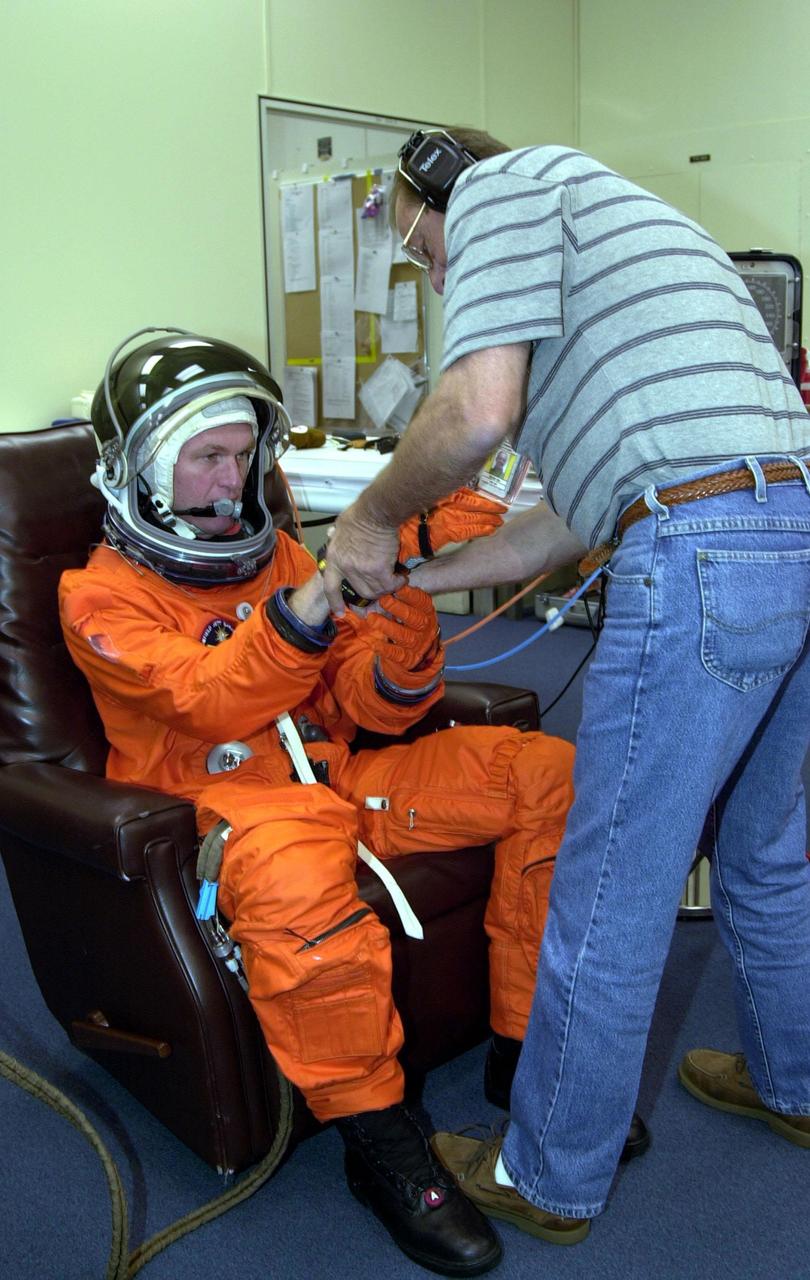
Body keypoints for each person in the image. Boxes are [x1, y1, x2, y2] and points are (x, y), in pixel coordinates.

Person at [323, 127, 810, 1242]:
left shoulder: (497, 189)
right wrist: (422, 567)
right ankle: (798, 1083)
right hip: (789, 523)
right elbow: (570, 522)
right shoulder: (627, 228)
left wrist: (369, 517)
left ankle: (550, 1173)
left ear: (437, 184)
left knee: (612, 878)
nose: (433, 267)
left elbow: (474, 411)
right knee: (765, 844)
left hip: (701, 548)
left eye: (420, 241)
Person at [59, 328, 595, 1275]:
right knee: (301, 855)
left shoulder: (269, 562)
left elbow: (375, 704)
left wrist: (399, 609)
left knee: (542, 773)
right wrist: (320, 594)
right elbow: (213, 696)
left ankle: (525, 1046)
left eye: (243, 454)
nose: (234, 479)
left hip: (336, 775)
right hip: (216, 812)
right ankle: (381, 1143)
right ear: (142, 469)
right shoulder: (96, 597)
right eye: (208, 458)